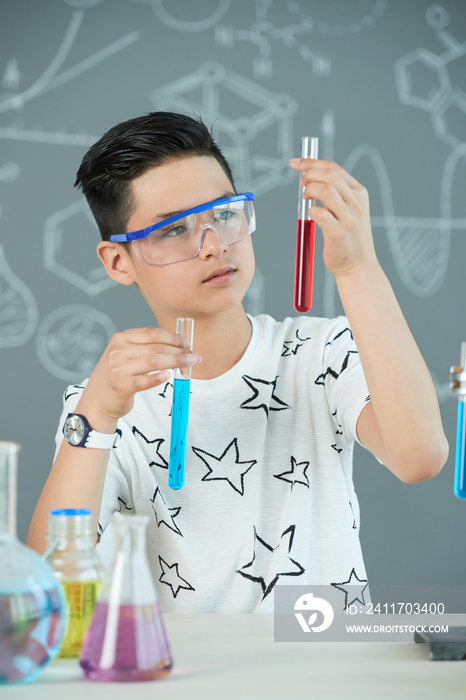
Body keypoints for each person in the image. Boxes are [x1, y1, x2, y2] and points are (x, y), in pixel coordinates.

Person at [27, 112, 448, 613]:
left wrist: (357, 267)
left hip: (328, 669)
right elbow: (47, 587)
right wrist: (95, 416)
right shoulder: (105, 406)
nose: (213, 245)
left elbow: (420, 457)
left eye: (224, 213)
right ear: (118, 262)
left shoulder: (319, 352)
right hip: (185, 684)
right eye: (174, 228)